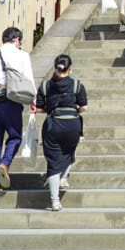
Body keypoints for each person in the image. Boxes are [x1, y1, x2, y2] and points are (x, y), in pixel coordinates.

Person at [0, 26, 35, 192]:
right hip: (13, 102)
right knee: (15, 137)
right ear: (17, 39)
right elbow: (28, 79)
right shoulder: (23, 56)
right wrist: (34, 99)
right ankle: (5, 162)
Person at [34, 54, 87, 211]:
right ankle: (64, 177)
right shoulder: (77, 85)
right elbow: (84, 107)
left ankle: (55, 201)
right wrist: (74, 108)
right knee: (70, 150)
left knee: (53, 162)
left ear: (55, 68)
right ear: (70, 68)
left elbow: (39, 108)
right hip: (72, 124)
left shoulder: (45, 86)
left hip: (53, 126)